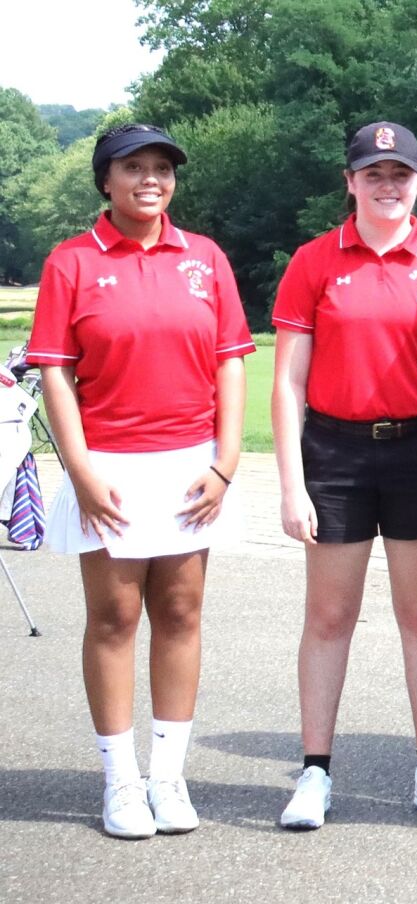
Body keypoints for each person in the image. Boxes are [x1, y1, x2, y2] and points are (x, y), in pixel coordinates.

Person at [31, 123, 255, 839]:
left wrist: (224, 464)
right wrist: (81, 469)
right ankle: (120, 781)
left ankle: (168, 776)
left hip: (191, 464)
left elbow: (229, 360)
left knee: (182, 613)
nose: (150, 179)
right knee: (114, 618)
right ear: (106, 180)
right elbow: (56, 375)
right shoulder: (71, 262)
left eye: (162, 167)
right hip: (111, 465)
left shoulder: (205, 257)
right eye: (134, 167)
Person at [271, 122, 417, 830]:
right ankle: (315, 772)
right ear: (350, 182)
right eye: (373, 174)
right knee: (330, 616)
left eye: (401, 174)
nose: (387, 186)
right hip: (335, 452)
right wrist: (292, 483)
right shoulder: (314, 261)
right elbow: (288, 382)